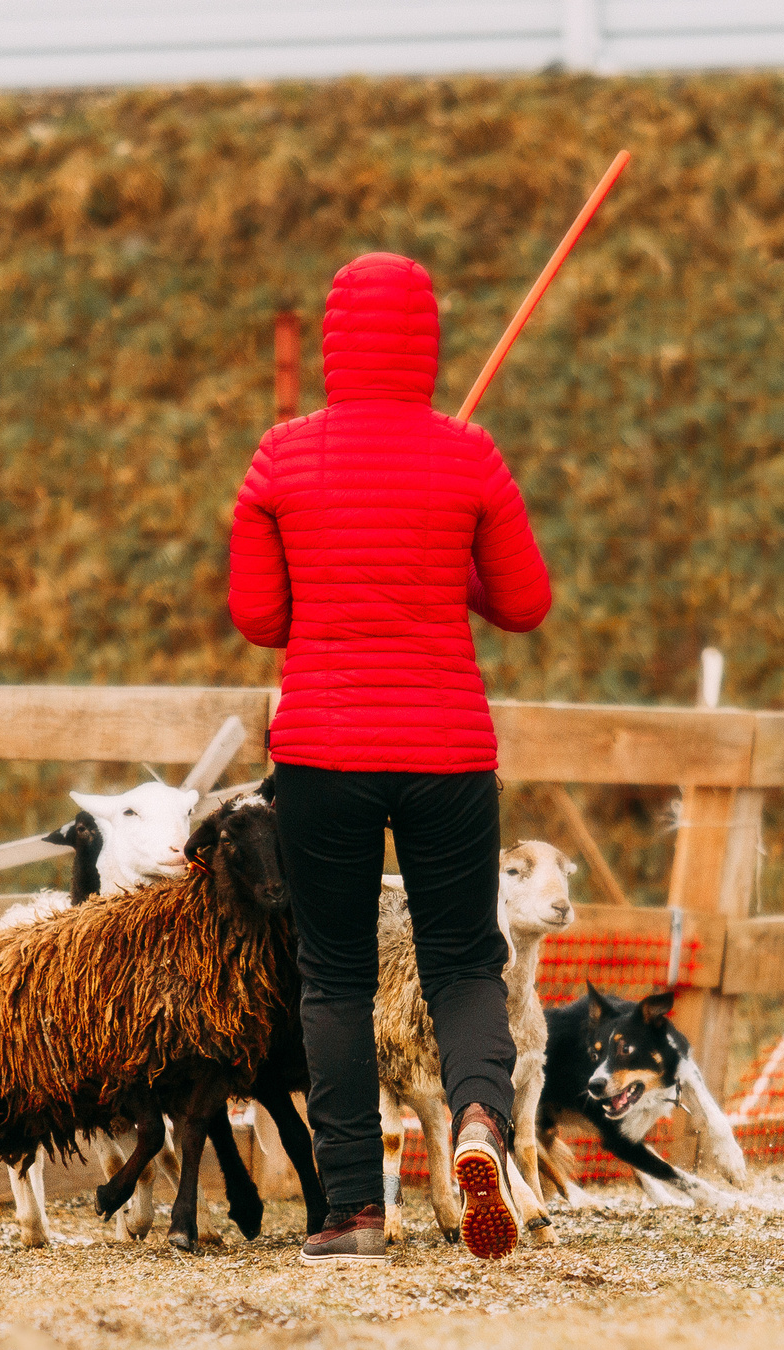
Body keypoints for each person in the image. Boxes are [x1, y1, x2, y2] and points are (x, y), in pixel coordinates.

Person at [227, 251, 553, 1267]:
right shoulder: (468, 457)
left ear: (332, 342)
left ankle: (352, 1211)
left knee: (333, 976)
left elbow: (259, 616)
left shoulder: (281, 460)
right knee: (465, 962)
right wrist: (445, 561)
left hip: (323, 751)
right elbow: (525, 602)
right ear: (428, 340)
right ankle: (480, 1127)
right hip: (447, 749)